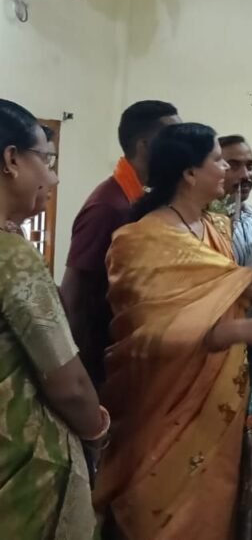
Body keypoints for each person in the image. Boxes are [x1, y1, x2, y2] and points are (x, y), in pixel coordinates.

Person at [94, 123, 252, 540]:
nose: (228, 169)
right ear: (190, 173)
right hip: (163, 407)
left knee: (215, 513)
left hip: (220, 407)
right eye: (219, 160)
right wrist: (249, 329)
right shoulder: (138, 241)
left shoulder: (217, 228)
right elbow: (150, 335)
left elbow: (225, 295)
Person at [0, 99, 105, 539]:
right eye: (45, 159)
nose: (54, 177)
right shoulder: (12, 259)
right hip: (20, 468)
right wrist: (97, 432)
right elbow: (68, 383)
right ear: (11, 160)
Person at [61, 99, 179, 385]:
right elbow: (74, 293)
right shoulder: (109, 206)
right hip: (101, 357)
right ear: (144, 145)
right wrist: (82, 375)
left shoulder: (139, 198)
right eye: (172, 137)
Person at [220, 134, 252, 265]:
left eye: (250, 166)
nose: (245, 175)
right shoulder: (203, 226)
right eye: (233, 166)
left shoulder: (251, 215)